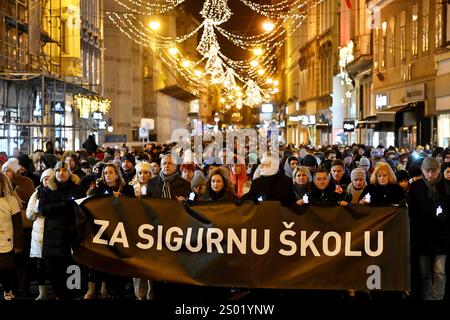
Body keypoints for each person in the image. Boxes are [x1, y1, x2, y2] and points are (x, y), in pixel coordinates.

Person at [38, 161, 84, 300]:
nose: (61, 173)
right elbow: (43, 209)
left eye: (64, 170)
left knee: (72, 269)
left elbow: (81, 209)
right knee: (53, 270)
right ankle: (59, 294)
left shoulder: (77, 189)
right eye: (58, 170)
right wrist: (64, 205)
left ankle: (71, 295)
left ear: (69, 173)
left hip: (71, 236)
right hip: (52, 237)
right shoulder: (48, 190)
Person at [408, 157, 449, 300]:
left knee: (439, 272)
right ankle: (427, 297)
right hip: (422, 236)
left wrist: (444, 215)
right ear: (422, 171)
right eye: (427, 171)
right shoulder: (415, 186)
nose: (430, 174)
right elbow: (411, 210)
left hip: (441, 236)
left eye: (434, 171)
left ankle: (437, 297)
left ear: (439, 170)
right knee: (424, 273)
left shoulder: (446, 186)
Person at [25, 169, 54, 300]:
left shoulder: (57, 193)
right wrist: (37, 206)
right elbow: (29, 215)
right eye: (45, 178)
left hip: (54, 232)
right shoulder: (36, 194)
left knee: (55, 264)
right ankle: (42, 293)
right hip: (40, 234)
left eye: (49, 178)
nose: (47, 180)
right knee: (41, 264)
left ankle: (56, 290)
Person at [0, 172, 24, 300]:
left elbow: (18, 225)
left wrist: (18, 244)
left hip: (6, 240)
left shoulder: (12, 201)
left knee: (5, 269)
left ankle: (7, 290)